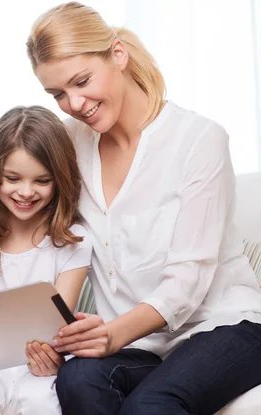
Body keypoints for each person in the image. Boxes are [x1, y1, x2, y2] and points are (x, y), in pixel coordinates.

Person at [25, 2, 261, 414]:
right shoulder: (70, 144)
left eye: (81, 81)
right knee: (77, 378)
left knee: (150, 404)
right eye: (58, 94)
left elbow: (188, 282)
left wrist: (112, 335)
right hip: (141, 344)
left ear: (118, 55)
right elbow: (40, 238)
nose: (75, 103)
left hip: (223, 327)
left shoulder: (198, 140)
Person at [0, 106, 92, 415]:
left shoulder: (74, 241)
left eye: (42, 180)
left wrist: (52, 358)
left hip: (41, 371)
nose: (25, 192)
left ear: (59, 179)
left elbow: (57, 332)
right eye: (12, 178)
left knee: (39, 401)